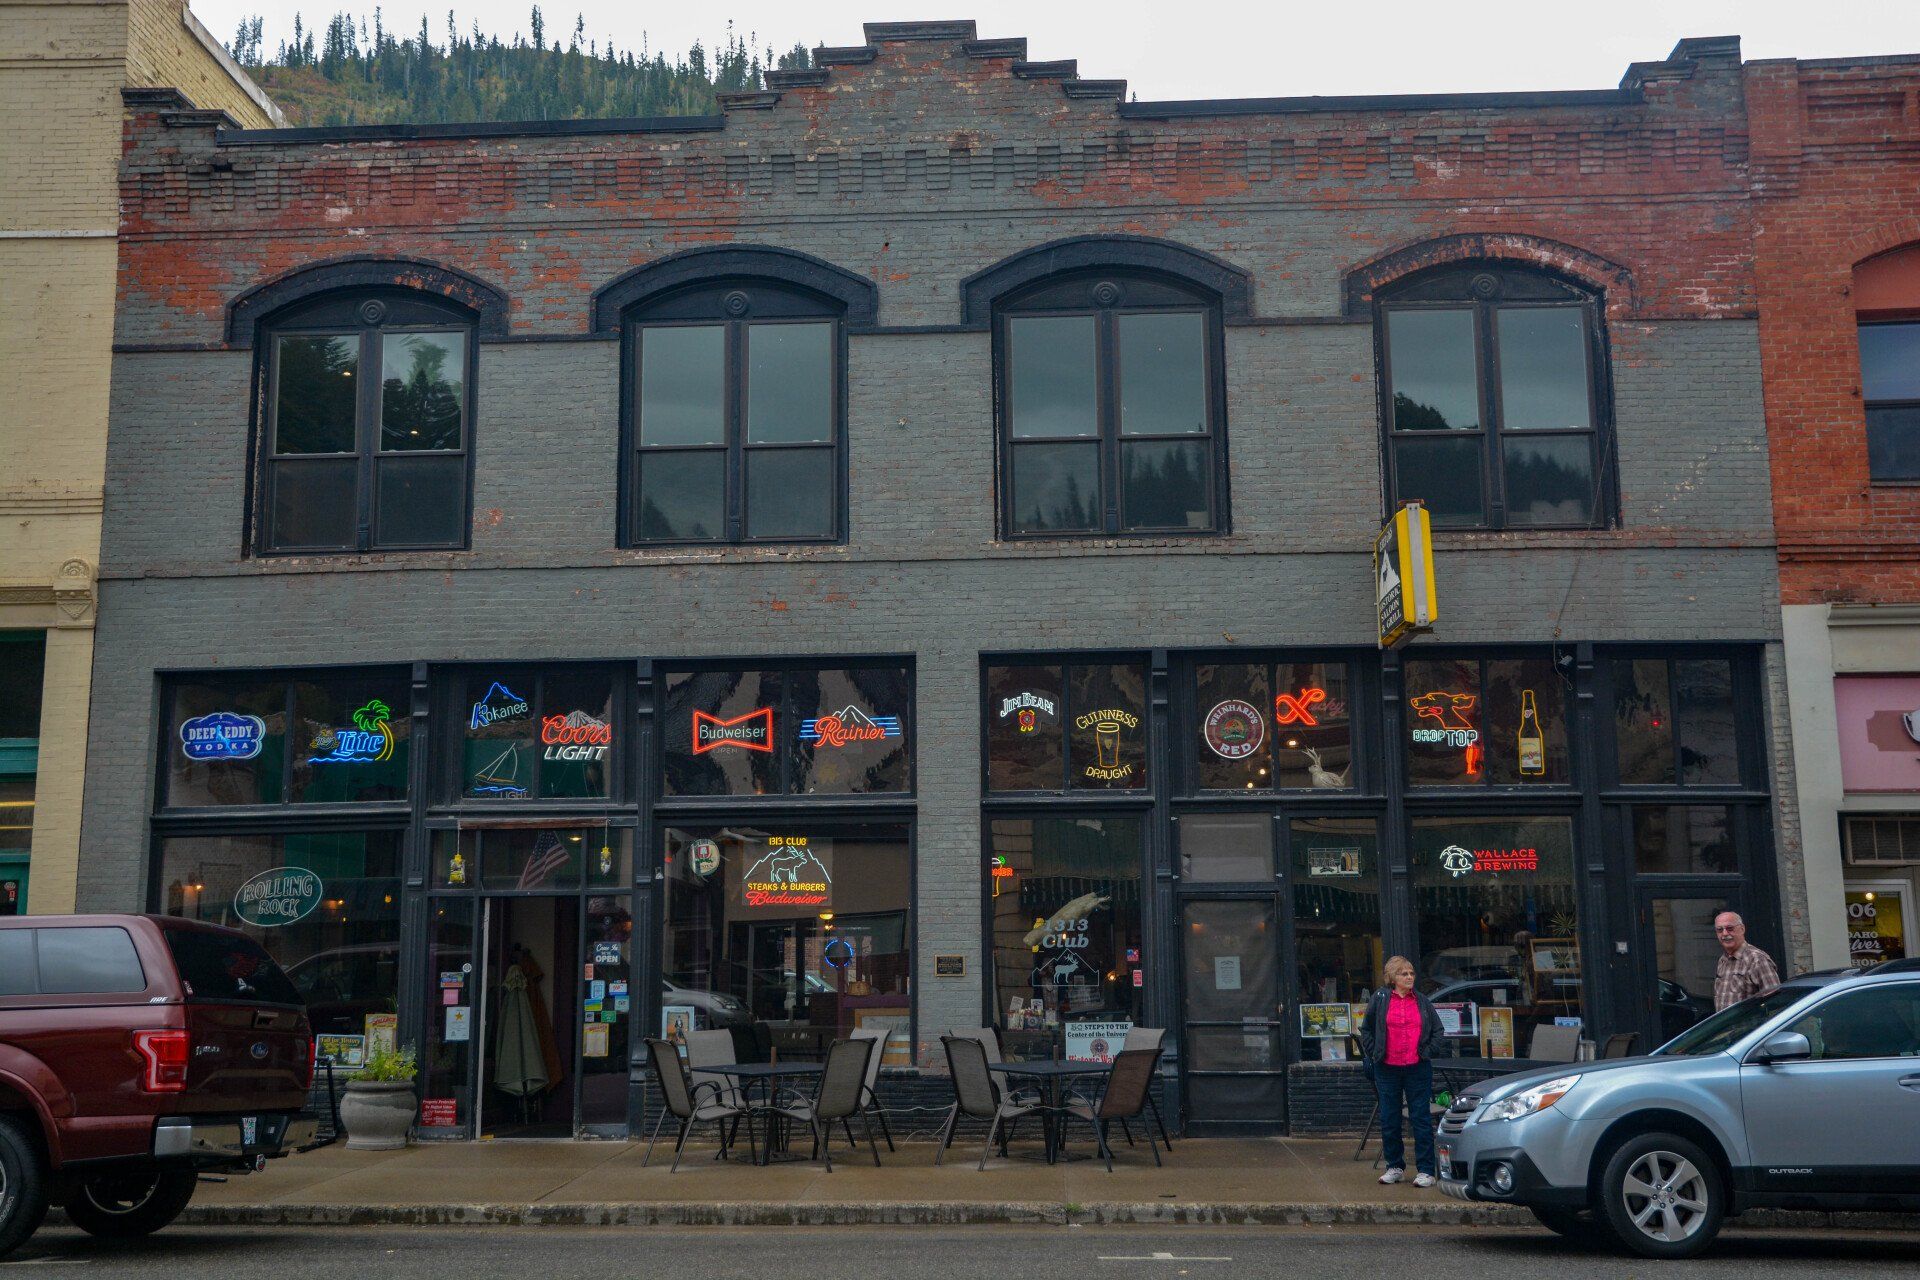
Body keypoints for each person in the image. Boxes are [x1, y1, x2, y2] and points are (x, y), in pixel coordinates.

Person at [1359, 955, 1446, 1188]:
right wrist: (1375, 1052)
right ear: (1392, 977)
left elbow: (1438, 1031)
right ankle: (1394, 1167)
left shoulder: (1422, 1001)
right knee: (1390, 1118)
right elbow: (1366, 1029)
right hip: (1387, 1068)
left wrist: (1427, 1052)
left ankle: (1426, 1170)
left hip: (1417, 1068)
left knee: (1421, 1118)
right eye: (1403, 973)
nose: (1409, 977)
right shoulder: (1380, 999)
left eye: (1411, 973)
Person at [1712, 911, 1780, 1010]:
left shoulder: (1757, 960)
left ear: (1742, 929)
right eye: (1720, 930)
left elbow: (1775, 1003)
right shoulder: (1723, 960)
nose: (1725, 933)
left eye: (1730, 928)